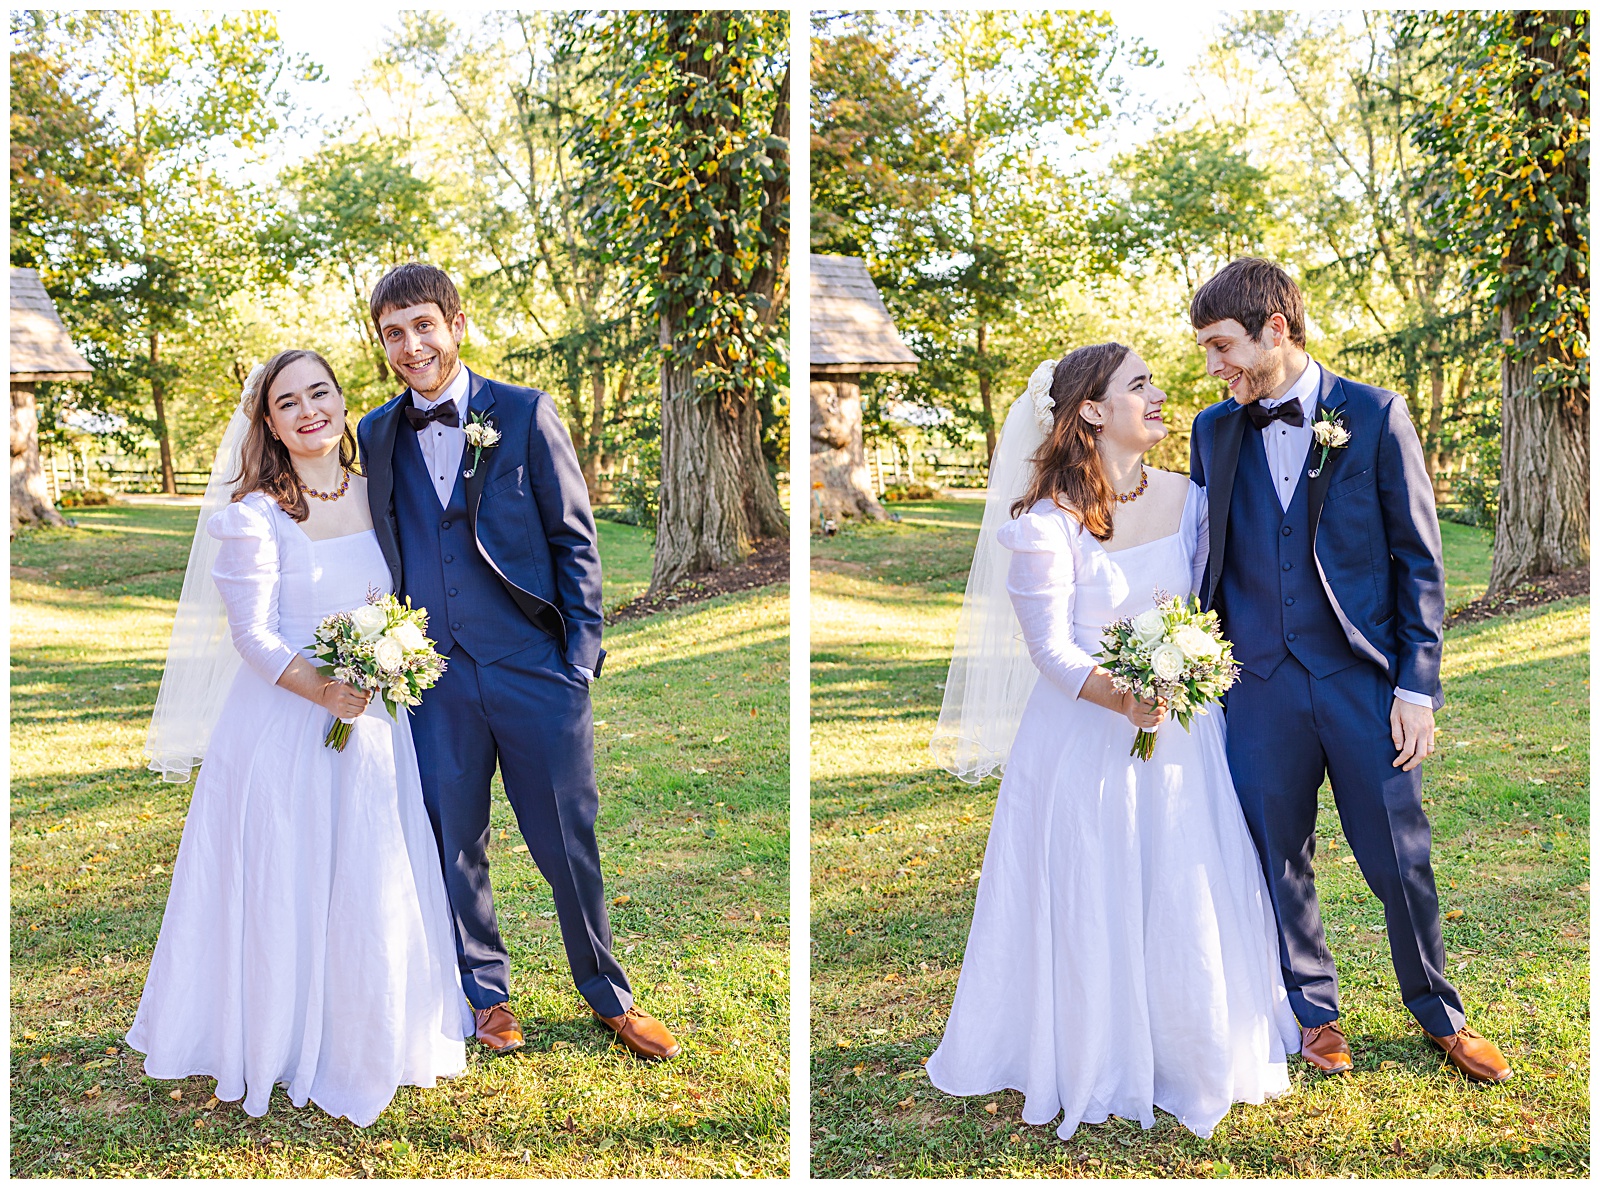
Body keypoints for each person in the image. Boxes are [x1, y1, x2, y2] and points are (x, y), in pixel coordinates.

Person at [927, 344, 1299, 1141]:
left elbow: (1205, 604)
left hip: (1185, 736)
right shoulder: (1045, 525)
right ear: (1092, 411)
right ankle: (1095, 1042)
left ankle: (1188, 1040)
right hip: (1084, 741)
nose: (1161, 395)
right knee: (1097, 888)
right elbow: (1053, 650)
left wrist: (1186, 676)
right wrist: (1124, 695)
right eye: (1140, 385)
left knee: (1184, 885)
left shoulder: (1190, 498)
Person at [1188, 257, 1511, 1082]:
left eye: (1223, 347)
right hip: (1256, 683)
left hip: (1362, 681)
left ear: (1276, 330)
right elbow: (1200, 550)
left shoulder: (1374, 414)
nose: (1214, 366)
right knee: (1276, 856)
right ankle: (1314, 1013)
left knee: (1398, 856)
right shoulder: (1212, 430)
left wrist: (1416, 686)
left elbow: (1420, 562)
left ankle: (1440, 1012)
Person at [134, 350, 469, 1127]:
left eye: (321, 392)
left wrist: (387, 665)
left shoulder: (375, 491)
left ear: (344, 400)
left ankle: (368, 1024)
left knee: (367, 872)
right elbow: (250, 632)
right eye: (289, 402)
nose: (309, 409)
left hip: (374, 724)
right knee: (290, 873)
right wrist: (323, 687)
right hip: (286, 725)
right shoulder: (254, 515)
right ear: (270, 424)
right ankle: (281, 1034)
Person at [356, 263, 678, 1060]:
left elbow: (575, 538)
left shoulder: (527, 414)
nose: (411, 345)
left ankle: (608, 992)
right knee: (452, 838)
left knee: (566, 840)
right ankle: (486, 995)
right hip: (432, 677)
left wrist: (579, 658)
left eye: (423, 325)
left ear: (456, 323)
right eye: (394, 334)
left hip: (535, 668)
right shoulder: (374, 433)